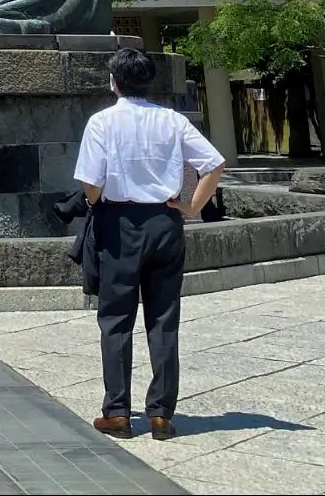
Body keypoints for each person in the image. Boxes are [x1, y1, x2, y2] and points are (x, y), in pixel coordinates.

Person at [74, 46, 227, 441]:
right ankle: (161, 413)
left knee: (116, 318)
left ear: (114, 81)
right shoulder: (173, 121)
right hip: (165, 220)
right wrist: (193, 206)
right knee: (163, 317)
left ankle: (117, 412)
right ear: (148, 80)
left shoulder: (102, 122)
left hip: (120, 221)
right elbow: (214, 163)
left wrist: (98, 204)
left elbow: (91, 183)